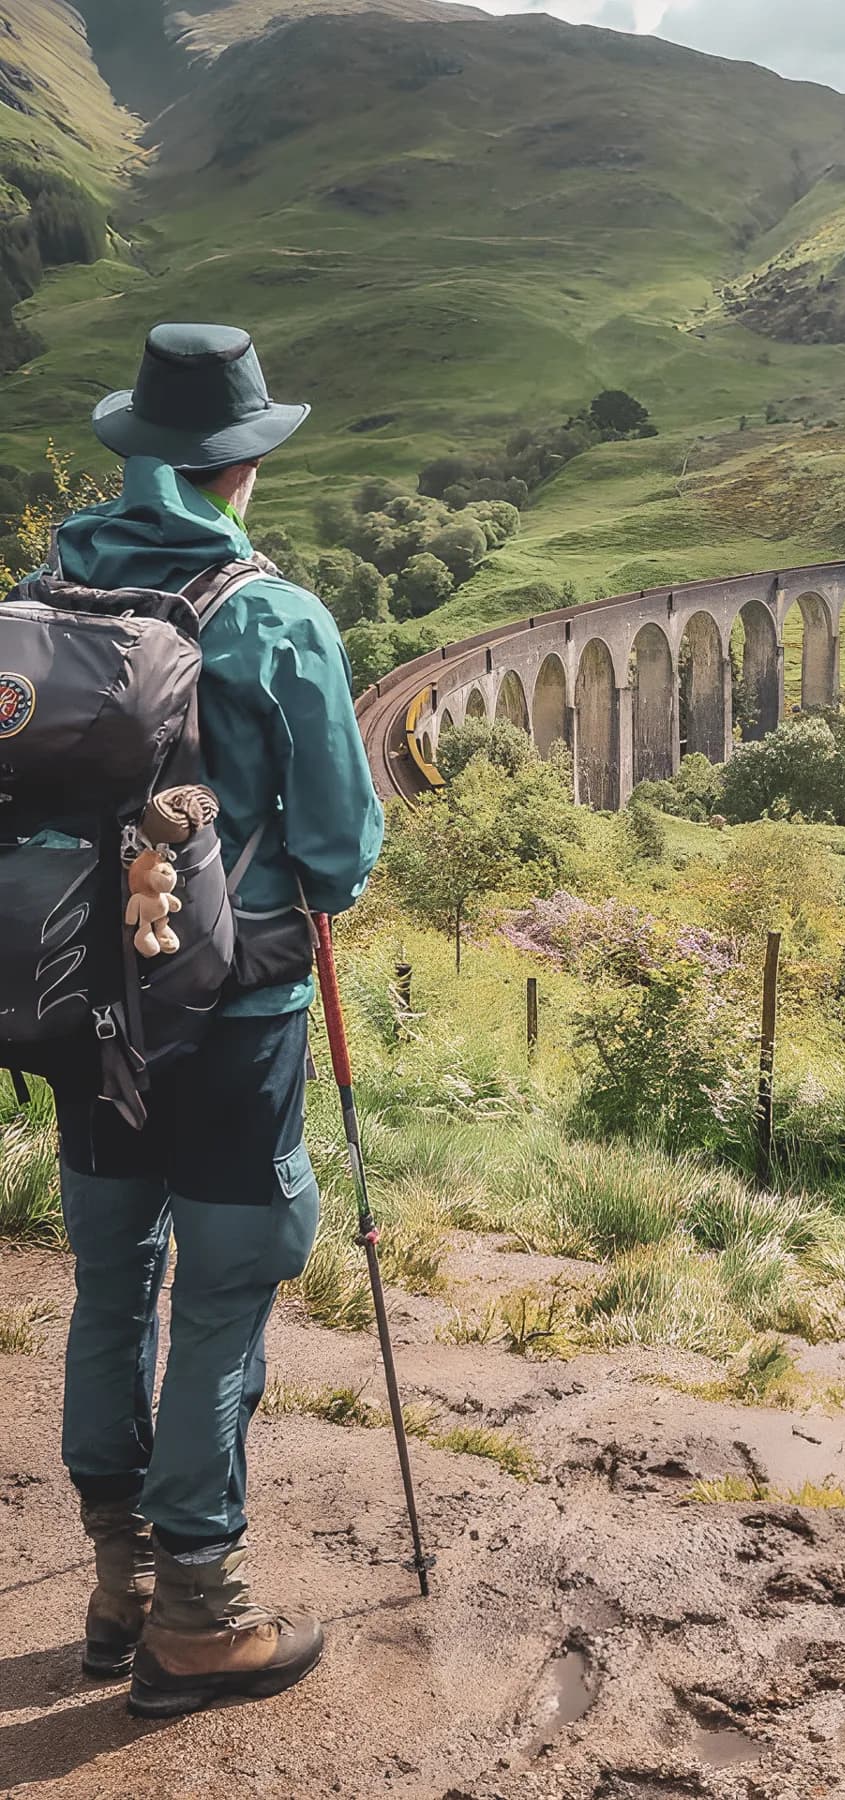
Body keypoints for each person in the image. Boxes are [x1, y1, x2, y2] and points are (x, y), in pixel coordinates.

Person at [48, 324, 384, 1717]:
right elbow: (344, 851)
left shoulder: (41, 588)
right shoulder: (273, 611)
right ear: (243, 462)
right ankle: (201, 1617)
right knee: (228, 1291)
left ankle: (118, 1582)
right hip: (238, 1013)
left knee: (113, 1277)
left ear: (137, 452)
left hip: (84, 1009)